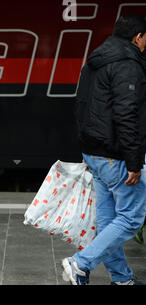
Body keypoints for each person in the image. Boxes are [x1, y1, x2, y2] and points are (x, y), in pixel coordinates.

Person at [63, 14, 146, 285]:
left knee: (109, 220)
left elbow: (80, 106)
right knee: (132, 218)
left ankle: (122, 279)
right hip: (116, 155)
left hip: (95, 153)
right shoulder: (128, 65)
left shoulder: (94, 62)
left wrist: (86, 149)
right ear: (138, 38)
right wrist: (134, 160)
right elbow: (127, 114)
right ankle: (80, 263)